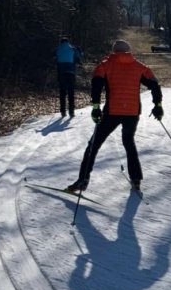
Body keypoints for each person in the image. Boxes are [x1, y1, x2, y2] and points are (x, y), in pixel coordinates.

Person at [66, 39, 163, 193]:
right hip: (132, 113)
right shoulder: (140, 67)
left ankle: (82, 180)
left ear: (114, 51)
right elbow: (154, 84)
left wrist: (96, 107)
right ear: (128, 51)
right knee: (129, 143)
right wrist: (157, 105)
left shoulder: (105, 65)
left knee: (94, 145)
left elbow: (96, 85)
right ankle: (136, 179)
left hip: (112, 112)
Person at [55, 36, 82, 118]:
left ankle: (63, 112)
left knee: (62, 93)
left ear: (61, 42)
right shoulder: (73, 49)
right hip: (71, 73)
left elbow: (54, 58)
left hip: (61, 73)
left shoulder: (58, 49)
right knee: (71, 93)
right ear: (68, 42)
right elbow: (79, 58)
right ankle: (71, 112)